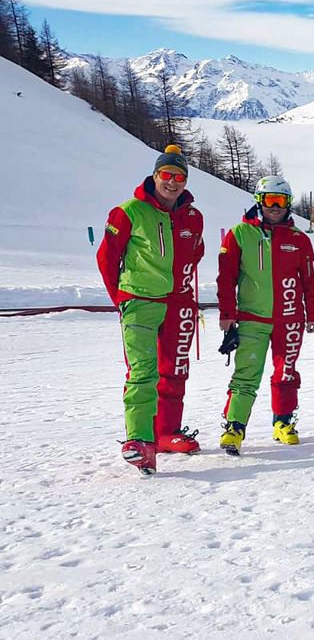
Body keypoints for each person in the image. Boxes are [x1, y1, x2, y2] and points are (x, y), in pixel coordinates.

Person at [96, 144, 205, 474]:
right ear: (155, 175)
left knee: (174, 371)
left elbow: (196, 253)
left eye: (179, 177)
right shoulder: (129, 211)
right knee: (143, 371)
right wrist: (122, 297)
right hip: (140, 301)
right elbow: (106, 258)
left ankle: (167, 433)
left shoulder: (193, 216)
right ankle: (140, 440)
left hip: (179, 303)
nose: (172, 182)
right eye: (167, 175)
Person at [215, 175, 314, 455]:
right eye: (270, 201)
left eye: (281, 201)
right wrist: (227, 312)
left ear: (289, 204)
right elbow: (226, 277)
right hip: (252, 317)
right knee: (246, 374)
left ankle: (283, 422)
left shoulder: (299, 239)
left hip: (289, 318)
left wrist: (313, 313)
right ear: (259, 201)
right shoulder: (241, 233)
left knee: (285, 371)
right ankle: (235, 426)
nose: (275, 207)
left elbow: (311, 279)